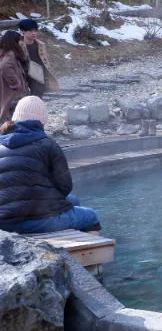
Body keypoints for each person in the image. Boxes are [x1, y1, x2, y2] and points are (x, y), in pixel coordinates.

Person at [0, 96, 100, 234]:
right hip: (31, 221)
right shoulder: (48, 145)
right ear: (42, 121)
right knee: (90, 216)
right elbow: (64, 186)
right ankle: (88, 253)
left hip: (2, 220)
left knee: (73, 201)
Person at [18, 19, 59, 97]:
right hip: (23, 77)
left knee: (38, 100)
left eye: (35, 31)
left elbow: (45, 61)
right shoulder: (17, 46)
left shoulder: (40, 45)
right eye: (30, 31)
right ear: (23, 31)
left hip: (38, 76)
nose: (34, 33)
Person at [0, 31, 29, 122]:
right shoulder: (10, 54)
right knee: (11, 111)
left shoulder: (4, 51)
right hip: (11, 90)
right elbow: (5, 66)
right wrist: (15, 83)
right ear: (14, 41)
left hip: (6, 88)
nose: (21, 42)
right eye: (20, 40)